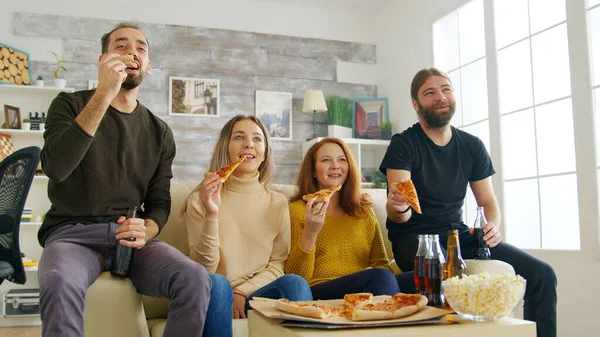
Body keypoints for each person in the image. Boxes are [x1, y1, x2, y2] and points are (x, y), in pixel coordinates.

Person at [37, 23, 210, 337]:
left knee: (195, 278)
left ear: (148, 66)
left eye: (140, 48)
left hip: (130, 239)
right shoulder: (69, 104)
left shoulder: (160, 132)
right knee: (59, 280)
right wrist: (105, 92)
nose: (132, 52)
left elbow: (159, 202)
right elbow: (56, 168)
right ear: (103, 60)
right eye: (121, 46)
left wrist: (148, 229)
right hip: (71, 235)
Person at [380, 67, 557, 337]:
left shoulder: (472, 146)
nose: (440, 97)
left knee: (542, 273)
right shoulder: (403, 144)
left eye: (446, 89)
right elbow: (397, 216)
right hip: (415, 239)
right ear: (416, 104)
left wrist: (491, 227)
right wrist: (399, 205)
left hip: (457, 235)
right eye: (430, 92)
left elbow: (488, 202)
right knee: (440, 273)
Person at [181, 115, 312, 337]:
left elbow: (277, 265)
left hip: (255, 295)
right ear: (226, 147)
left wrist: (242, 293)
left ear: (265, 153)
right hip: (214, 293)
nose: (249, 144)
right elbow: (204, 270)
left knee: (296, 283)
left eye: (257, 139)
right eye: (239, 137)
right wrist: (212, 214)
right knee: (218, 284)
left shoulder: (278, 203)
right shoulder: (199, 201)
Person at [285, 137, 415, 300]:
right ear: (312, 170)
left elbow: (381, 264)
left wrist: (371, 273)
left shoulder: (364, 210)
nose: (335, 166)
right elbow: (297, 278)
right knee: (381, 278)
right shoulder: (297, 210)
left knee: (422, 279)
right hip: (321, 289)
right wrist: (310, 233)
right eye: (326, 160)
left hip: (367, 283)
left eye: (342, 160)